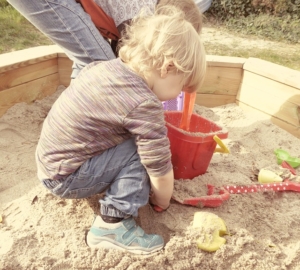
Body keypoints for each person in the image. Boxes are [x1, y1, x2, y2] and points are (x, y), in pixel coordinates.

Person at [35, 6, 206, 255]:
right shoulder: (143, 102)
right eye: (181, 86)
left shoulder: (106, 67)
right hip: (66, 176)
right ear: (167, 68)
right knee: (141, 153)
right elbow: (158, 167)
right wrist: (163, 200)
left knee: (135, 143)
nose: (179, 94)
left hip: (50, 163)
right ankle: (112, 225)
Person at [7, 0, 209, 79]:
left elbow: (120, 53)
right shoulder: (139, 11)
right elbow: (136, 70)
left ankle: (77, 116)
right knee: (103, 68)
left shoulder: (144, 21)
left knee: (94, 60)